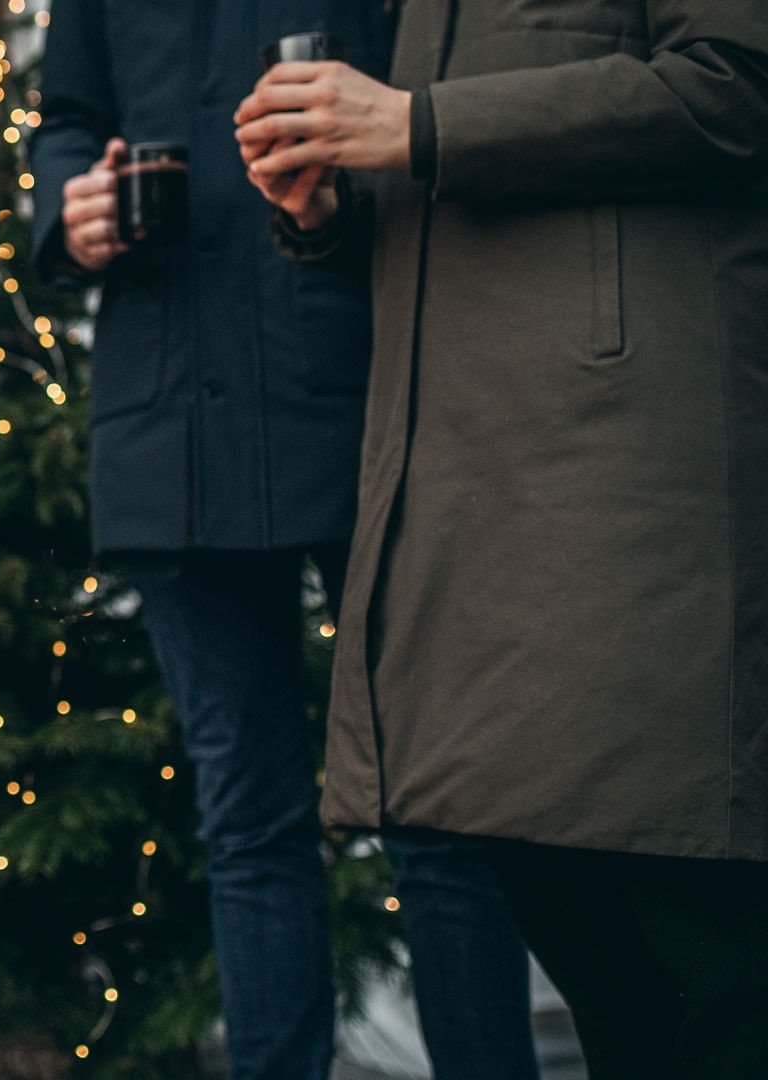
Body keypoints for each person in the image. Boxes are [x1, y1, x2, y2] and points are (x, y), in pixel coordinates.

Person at [234, 1, 768, 1076]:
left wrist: (417, 125)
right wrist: (328, 205)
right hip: (473, 482)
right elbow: (443, 165)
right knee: (585, 933)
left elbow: (739, 86)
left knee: (698, 938)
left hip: (630, 478)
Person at [30, 3, 540, 1078]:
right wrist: (67, 210)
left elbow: (429, 112)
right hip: (171, 426)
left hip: (366, 401)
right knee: (247, 819)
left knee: (434, 809)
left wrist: (340, 199)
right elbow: (67, 119)